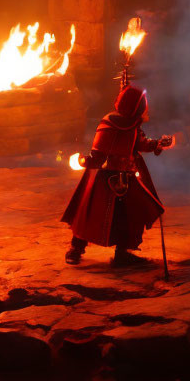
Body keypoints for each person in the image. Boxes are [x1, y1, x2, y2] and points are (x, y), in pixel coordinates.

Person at [62, 84, 174, 267]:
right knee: (89, 213)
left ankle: (122, 254)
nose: (146, 109)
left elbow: (141, 144)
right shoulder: (109, 123)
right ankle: (76, 248)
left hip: (128, 176)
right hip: (103, 177)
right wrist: (83, 161)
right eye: (142, 105)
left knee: (131, 216)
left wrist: (157, 144)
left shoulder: (134, 127)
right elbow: (98, 155)